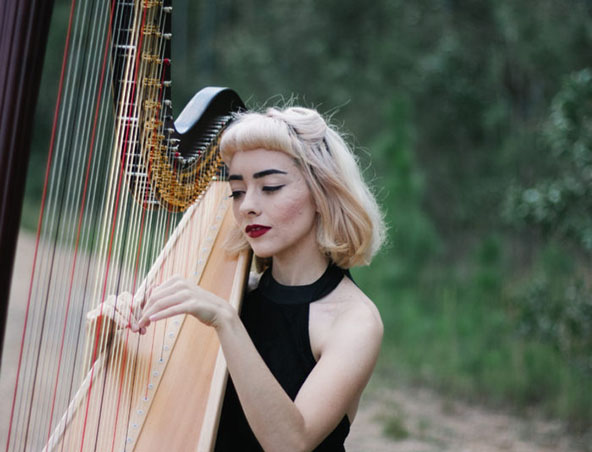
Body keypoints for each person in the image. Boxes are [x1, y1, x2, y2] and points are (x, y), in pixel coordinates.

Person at [100, 106, 386, 451]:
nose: (247, 205)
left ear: (322, 195)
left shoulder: (354, 321)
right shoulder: (234, 294)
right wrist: (115, 335)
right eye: (237, 191)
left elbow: (290, 443)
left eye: (270, 186)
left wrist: (226, 322)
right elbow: (150, 402)